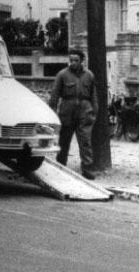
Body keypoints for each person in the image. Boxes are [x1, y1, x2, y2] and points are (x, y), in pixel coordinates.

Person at [48, 49, 98, 180]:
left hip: (85, 111)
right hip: (67, 111)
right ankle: (60, 166)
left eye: (76, 60)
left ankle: (87, 169)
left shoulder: (89, 75)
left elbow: (94, 96)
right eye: (71, 60)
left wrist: (94, 113)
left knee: (85, 141)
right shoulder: (62, 75)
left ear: (82, 61)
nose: (73, 63)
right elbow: (54, 95)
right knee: (64, 141)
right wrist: (52, 112)